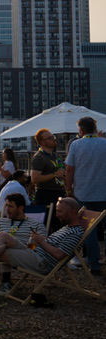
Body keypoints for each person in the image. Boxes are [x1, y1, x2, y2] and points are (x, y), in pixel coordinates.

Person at [0, 197, 87, 301]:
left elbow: (59, 255)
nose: (57, 214)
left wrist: (41, 241)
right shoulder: (66, 228)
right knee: (2, 235)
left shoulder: (75, 233)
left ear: (71, 211)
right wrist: (38, 240)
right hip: (34, 252)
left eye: (59, 211)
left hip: (41, 262)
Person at [65, 116, 106, 275]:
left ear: (81, 130)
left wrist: (69, 190)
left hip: (84, 193)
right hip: (104, 192)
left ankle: (94, 264)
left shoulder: (76, 145)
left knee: (90, 231)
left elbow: (69, 170)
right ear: (95, 129)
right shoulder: (104, 143)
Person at [30, 128, 66, 209]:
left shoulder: (55, 155)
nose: (54, 139)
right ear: (42, 142)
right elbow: (35, 179)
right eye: (50, 138)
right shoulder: (39, 157)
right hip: (46, 195)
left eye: (53, 136)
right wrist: (55, 174)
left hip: (58, 192)